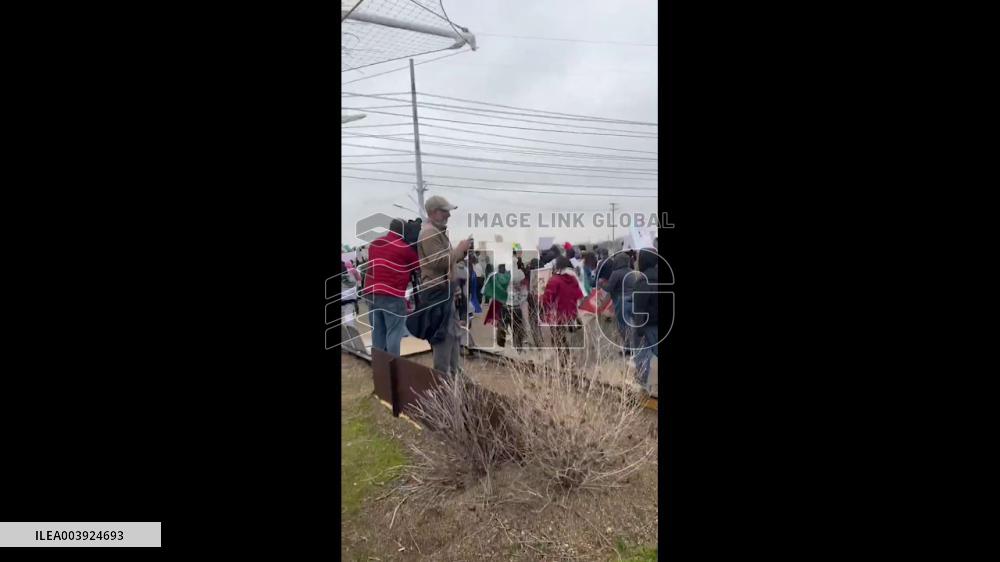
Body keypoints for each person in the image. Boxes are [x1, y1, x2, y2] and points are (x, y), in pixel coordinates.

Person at [412, 195, 472, 376]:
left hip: (443, 291)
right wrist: (459, 249)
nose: (448, 215)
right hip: (437, 293)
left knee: (453, 334)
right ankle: (441, 378)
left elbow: (445, 262)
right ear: (434, 212)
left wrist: (461, 252)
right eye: (445, 211)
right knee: (443, 336)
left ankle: (454, 372)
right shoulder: (430, 233)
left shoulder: (436, 232)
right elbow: (439, 263)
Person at [364, 219, 418, 357]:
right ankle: (394, 365)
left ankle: (380, 366)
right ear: (403, 232)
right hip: (392, 294)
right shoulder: (404, 248)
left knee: (378, 331)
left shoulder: (375, 244)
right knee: (394, 331)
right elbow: (418, 266)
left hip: (372, 292)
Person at [541, 256, 584, 366]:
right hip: (571, 314)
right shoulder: (573, 280)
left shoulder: (554, 280)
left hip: (557, 315)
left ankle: (564, 361)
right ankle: (571, 359)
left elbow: (547, 299)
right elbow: (579, 295)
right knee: (567, 337)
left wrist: (541, 303)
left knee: (557, 338)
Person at [632, 248, 659, 391]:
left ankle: (641, 385)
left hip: (647, 324)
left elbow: (639, 309)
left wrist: (638, 329)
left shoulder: (643, 281)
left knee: (642, 354)